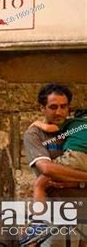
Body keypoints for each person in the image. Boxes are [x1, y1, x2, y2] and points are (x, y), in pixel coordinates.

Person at [22, 83, 87, 245]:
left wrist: (74, 180)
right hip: (57, 214)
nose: (59, 111)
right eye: (53, 107)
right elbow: (47, 168)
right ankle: (38, 223)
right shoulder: (35, 134)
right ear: (42, 108)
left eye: (63, 106)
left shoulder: (74, 128)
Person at [29, 109, 87, 202]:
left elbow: (50, 128)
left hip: (75, 156)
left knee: (40, 183)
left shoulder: (73, 122)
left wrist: (37, 123)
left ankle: (38, 211)